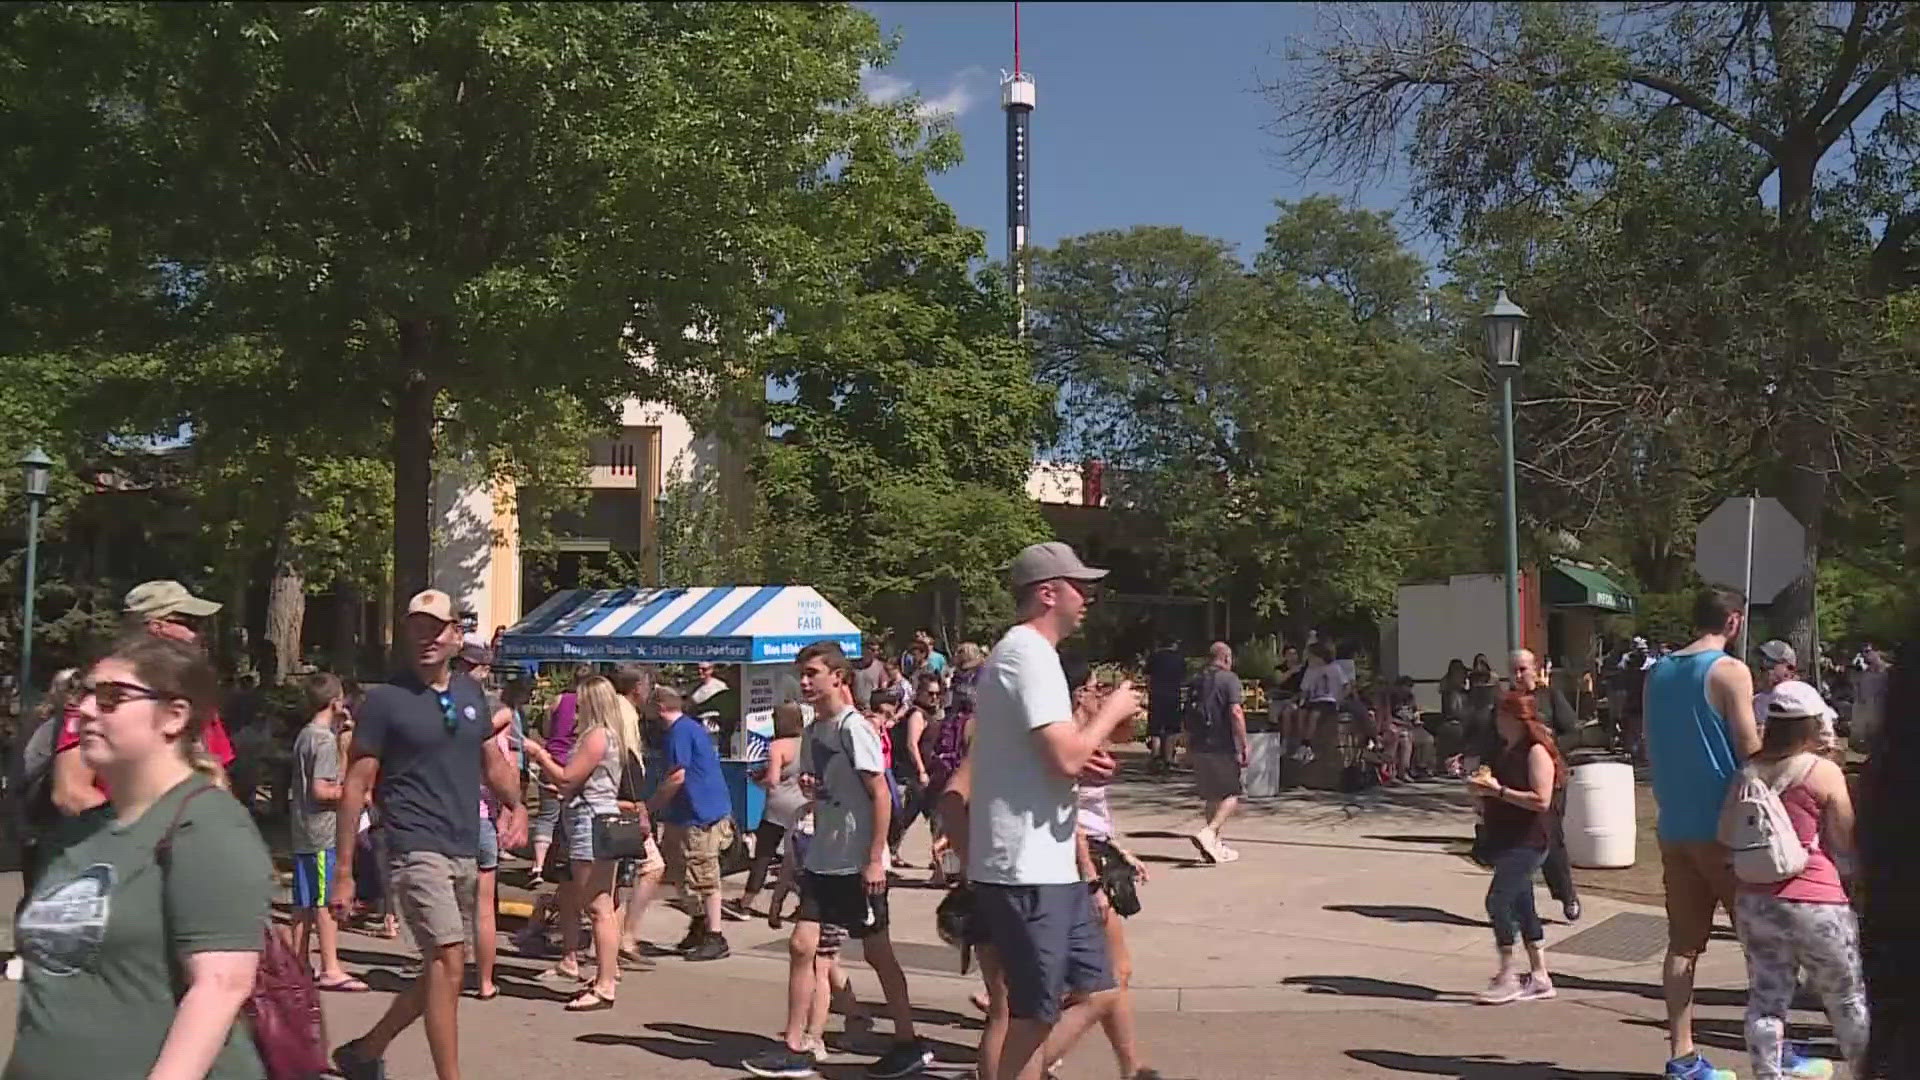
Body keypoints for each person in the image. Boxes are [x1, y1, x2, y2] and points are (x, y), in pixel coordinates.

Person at [8, 633, 273, 1080]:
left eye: (112, 697)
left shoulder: (206, 825)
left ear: (173, 717)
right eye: (85, 692)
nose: (87, 709)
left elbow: (221, 987)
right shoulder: (78, 834)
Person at [328, 589, 529, 1080]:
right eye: (416, 628)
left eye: (435, 629)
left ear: (456, 636)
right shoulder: (385, 701)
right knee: (445, 959)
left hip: (464, 842)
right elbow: (356, 785)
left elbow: (492, 760)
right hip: (413, 846)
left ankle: (365, 1050)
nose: (425, 639)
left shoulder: (469, 694)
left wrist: (517, 804)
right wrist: (345, 871)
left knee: (448, 967)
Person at [952, 541, 1133, 1080]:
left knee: (1100, 988)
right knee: (1032, 1013)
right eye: (1083, 588)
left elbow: (1057, 759)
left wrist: (1086, 761)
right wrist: (1114, 713)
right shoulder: (1027, 653)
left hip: (1052, 865)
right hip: (1026, 867)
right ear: (1048, 593)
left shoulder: (1035, 657)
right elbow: (1064, 754)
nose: (1089, 599)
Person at [743, 642, 931, 1079]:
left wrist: (874, 859)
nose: (804, 682)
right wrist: (814, 790)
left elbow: (881, 794)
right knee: (801, 947)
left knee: (877, 953)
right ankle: (796, 1046)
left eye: (812, 673)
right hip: (823, 857)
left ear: (838, 677)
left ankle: (908, 1041)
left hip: (856, 861)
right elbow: (822, 785)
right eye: (801, 674)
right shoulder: (814, 731)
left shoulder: (853, 728)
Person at [1644, 588, 1763, 1080]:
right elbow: (1750, 748)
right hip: (1726, 827)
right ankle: (1773, 1049)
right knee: (1762, 943)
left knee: (1683, 946)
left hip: (1675, 825)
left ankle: (1682, 1053)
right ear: (1733, 621)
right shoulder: (1730, 671)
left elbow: (1650, 743)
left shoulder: (1657, 673)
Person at [1734, 682, 1866, 1080]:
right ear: (1812, 724)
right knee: (1845, 999)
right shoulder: (1822, 772)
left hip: (1756, 902)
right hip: (1817, 901)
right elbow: (1845, 838)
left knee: (1766, 1000)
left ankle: (1768, 1074)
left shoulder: (1746, 772)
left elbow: (1726, 833)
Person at [1039, 658, 1160, 1080]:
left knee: (1111, 974)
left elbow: (1092, 809)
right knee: (1109, 978)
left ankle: (1131, 1067)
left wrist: (1119, 849)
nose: (1097, 693)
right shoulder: (1068, 737)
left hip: (1094, 849)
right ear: (1076, 692)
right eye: (1092, 687)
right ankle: (1028, 1064)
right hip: (1080, 856)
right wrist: (1090, 870)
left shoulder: (1079, 731)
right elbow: (1067, 811)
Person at [51, 581, 236, 817]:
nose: (198, 634)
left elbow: (217, 776)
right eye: (191, 623)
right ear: (157, 627)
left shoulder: (195, 691)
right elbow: (71, 793)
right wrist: (147, 834)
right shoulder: (101, 687)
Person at [524, 676, 626, 1010]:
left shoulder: (597, 736)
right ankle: (603, 978)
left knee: (597, 906)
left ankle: (605, 983)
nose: (575, 708)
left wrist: (539, 754)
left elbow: (568, 777)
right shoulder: (608, 736)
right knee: (602, 905)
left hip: (591, 823)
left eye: (581, 701)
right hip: (595, 818)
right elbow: (575, 783)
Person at [1467, 691, 1564, 1005]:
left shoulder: (1535, 752)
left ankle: (1507, 974)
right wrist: (1482, 795)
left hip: (1530, 840)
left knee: (1498, 901)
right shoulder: (1501, 751)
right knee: (1523, 905)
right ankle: (1540, 976)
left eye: (1502, 716)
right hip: (1504, 837)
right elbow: (1493, 789)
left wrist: (1500, 791)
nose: (1498, 722)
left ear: (1518, 719)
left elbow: (1541, 800)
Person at [646, 684, 735, 962]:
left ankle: (716, 935)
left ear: (659, 707)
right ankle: (699, 924)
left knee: (704, 873)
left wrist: (650, 807)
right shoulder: (688, 728)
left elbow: (677, 776)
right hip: (684, 813)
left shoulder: (680, 732)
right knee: (682, 871)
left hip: (701, 815)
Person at [291, 671, 367, 993]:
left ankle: (298, 962)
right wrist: (353, 795)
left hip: (303, 829)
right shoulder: (321, 741)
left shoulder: (307, 735)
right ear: (336, 702)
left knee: (303, 902)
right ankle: (330, 966)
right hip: (322, 830)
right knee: (324, 901)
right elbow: (321, 790)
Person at [1510, 649, 1582, 922]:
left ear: (1534, 669)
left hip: (1550, 779)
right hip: (1517, 779)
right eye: (1513, 670)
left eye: (1523, 669)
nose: (1518, 676)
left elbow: (1575, 731)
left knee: (1549, 838)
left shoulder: (1549, 697)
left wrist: (1548, 748)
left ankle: (1566, 894)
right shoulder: (1507, 702)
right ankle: (1521, 906)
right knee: (1516, 842)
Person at [736, 702, 807, 922]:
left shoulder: (777, 746)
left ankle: (745, 904)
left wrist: (758, 780)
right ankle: (804, 905)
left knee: (763, 855)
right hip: (801, 804)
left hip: (777, 807)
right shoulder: (808, 742)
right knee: (799, 857)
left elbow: (773, 780)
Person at [530, 663, 592, 886]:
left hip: (551, 758)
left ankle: (538, 865)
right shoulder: (590, 705)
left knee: (547, 816)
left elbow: (547, 729)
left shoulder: (557, 700)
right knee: (571, 816)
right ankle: (568, 863)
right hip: (575, 763)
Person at [1185, 642, 1247, 865]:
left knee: (1212, 796)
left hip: (1199, 743)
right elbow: (1235, 712)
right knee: (1231, 794)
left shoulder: (1197, 679)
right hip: (1222, 744)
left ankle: (1214, 845)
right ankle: (1209, 832)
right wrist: (1244, 744)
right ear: (1227, 658)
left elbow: (1186, 713)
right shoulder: (1229, 680)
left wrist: (1186, 744)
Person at [888, 672, 940, 869]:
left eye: (937, 694)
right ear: (920, 693)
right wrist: (921, 771)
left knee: (934, 816)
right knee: (907, 816)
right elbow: (911, 744)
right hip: (915, 776)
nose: (934, 697)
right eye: (930, 693)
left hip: (928, 773)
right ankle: (890, 851)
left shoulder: (930, 713)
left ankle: (939, 857)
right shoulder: (917, 714)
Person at [1143, 637, 1185, 773]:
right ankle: (1168, 758)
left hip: (1156, 695)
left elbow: (1148, 678)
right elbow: (1183, 678)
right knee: (1172, 728)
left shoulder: (1154, 657)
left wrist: (1150, 690)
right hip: (1173, 696)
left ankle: (1155, 755)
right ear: (1173, 644)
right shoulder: (1179, 659)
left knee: (1155, 726)